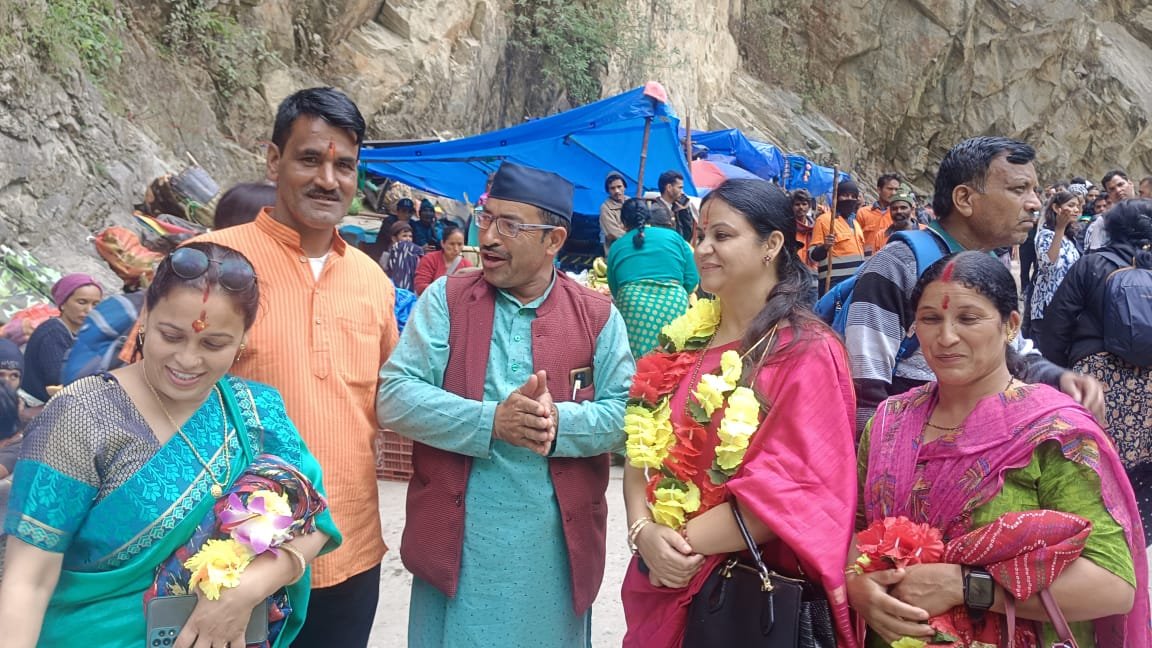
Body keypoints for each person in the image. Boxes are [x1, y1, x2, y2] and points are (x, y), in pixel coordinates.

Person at [0, 243, 339, 648]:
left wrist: (248, 587)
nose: (188, 360)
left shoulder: (256, 411)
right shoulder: (81, 416)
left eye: (214, 344)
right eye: (171, 336)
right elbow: (28, 580)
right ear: (144, 318)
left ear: (243, 340)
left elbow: (315, 521)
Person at [377, 161, 635, 647]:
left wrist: (558, 422)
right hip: (455, 542)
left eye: (510, 225)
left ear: (554, 240)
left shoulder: (597, 316)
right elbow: (394, 396)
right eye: (486, 218)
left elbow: (626, 416)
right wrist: (491, 420)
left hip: (550, 554)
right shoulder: (447, 299)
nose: (489, 237)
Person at [186, 87, 398, 647]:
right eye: (309, 159)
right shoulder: (211, 263)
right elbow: (147, 403)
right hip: (229, 562)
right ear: (273, 160)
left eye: (344, 165)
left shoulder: (372, 281)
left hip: (349, 552)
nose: (328, 179)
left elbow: (392, 401)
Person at [849, 251, 1148, 648]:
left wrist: (964, 586)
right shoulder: (889, 423)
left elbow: (1113, 586)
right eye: (930, 319)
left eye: (969, 318)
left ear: (1011, 325)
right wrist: (857, 585)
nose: (946, 337)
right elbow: (858, 531)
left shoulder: (1054, 434)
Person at [619, 179, 858, 647]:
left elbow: (796, 489)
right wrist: (642, 530)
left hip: (740, 597)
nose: (703, 249)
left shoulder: (805, 352)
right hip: (660, 574)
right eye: (700, 235)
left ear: (772, 244)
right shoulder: (683, 342)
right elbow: (640, 454)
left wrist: (677, 544)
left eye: (722, 235)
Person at [844, 136, 1104, 432]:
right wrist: (883, 454)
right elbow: (866, 386)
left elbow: (1014, 353)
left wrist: (1060, 379)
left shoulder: (992, 267)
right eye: (1018, 189)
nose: (1035, 203)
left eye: (1034, 190)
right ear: (965, 199)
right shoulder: (899, 264)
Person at [1042, 198, 1152, 539]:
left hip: (1095, 376)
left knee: (1095, 460)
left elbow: (1057, 322)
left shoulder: (1091, 264)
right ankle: (1139, 534)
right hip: (1147, 380)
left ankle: (1098, 536)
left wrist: (1059, 373)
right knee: (1142, 463)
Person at [606, 197, 698, 356]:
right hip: (674, 301)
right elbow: (692, 278)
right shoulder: (673, 237)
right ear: (648, 216)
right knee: (674, 359)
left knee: (638, 361)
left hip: (632, 302)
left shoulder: (617, 246)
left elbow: (615, 288)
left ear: (623, 222)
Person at [21, 274, 103, 404]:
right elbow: (60, 380)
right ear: (63, 303)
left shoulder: (82, 332)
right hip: (33, 402)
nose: (89, 310)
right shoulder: (53, 333)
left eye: (95, 304)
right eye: (82, 302)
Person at [1028, 191, 1081, 345]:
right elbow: (1047, 265)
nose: (1076, 209)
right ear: (1057, 208)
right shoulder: (1046, 235)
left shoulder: (1070, 238)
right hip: (1047, 306)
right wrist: (1059, 229)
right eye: (1071, 205)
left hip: (1066, 305)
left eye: (1077, 206)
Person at [810, 178, 867, 293]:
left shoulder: (856, 224)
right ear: (836, 197)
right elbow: (813, 255)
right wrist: (825, 247)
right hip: (833, 285)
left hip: (855, 283)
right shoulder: (824, 220)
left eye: (853, 196)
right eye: (845, 195)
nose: (849, 199)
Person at [413, 226, 473, 295]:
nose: (456, 249)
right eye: (452, 244)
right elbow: (420, 287)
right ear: (442, 243)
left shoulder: (466, 265)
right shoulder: (429, 260)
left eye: (459, 244)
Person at [1085, 170, 1135, 251]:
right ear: (1109, 195)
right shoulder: (1103, 221)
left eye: (1120, 184)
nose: (1118, 190)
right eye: (1112, 189)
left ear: (1130, 183)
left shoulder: (1147, 210)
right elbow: (1095, 252)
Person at [857, 173, 902, 255]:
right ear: (879, 190)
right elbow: (856, 239)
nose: (894, 193)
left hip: (891, 257)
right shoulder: (863, 212)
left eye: (896, 190)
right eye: (890, 189)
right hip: (867, 259)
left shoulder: (900, 215)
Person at [657, 170, 696, 243]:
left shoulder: (676, 209)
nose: (682, 192)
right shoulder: (656, 210)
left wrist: (683, 211)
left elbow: (686, 237)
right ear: (669, 187)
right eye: (680, 188)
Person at [385, 221, 425, 291]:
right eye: (404, 236)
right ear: (394, 238)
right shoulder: (390, 252)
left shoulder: (413, 253)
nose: (408, 239)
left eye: (410, 236)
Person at [599, 171, 628, 251]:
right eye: (612, 188)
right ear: (608, 191)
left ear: (624, 187)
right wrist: (633, 237)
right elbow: (613, 233)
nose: (617, 191)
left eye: (619, 187)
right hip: (617, 251)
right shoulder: (606, 208)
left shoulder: (631, 202)